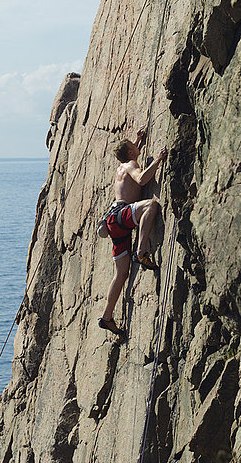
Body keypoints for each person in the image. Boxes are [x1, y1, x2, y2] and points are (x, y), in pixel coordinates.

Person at [97, 126, 167, 337]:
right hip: (123, 215)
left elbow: (129, 156)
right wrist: (158, 160)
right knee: (151, 206)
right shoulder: (131, 165)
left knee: (121, 273)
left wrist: (137, 141)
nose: (135, 148)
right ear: (129, 154)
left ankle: (107, 317)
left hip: (113, 221)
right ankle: (142, 251)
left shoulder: (120, 168)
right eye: (133, 147)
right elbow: (141, 179)